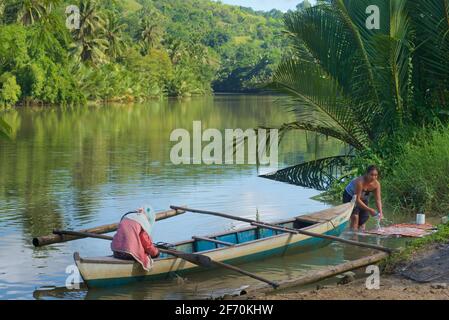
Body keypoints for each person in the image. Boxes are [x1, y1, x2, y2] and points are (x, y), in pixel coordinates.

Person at [111, 206, 159, 271]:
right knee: (147, 256)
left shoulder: (128, 216)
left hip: (116, 252)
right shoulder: (143, 221)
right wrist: (156, 253)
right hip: (129, 254)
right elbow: (146, 243)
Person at [342, 165, 383, 231]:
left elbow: (378, 200)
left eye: (376, 175)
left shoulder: (376, 184)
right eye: (371, 175)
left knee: (363, 220)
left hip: (363, 197)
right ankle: (353, 237)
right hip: (350, 196)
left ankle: (361, 236)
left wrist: (380, 212)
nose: (373, 177)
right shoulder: (360, 182)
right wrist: (370, 210)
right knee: (355, 217)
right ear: (366, 174)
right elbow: (357, 200)